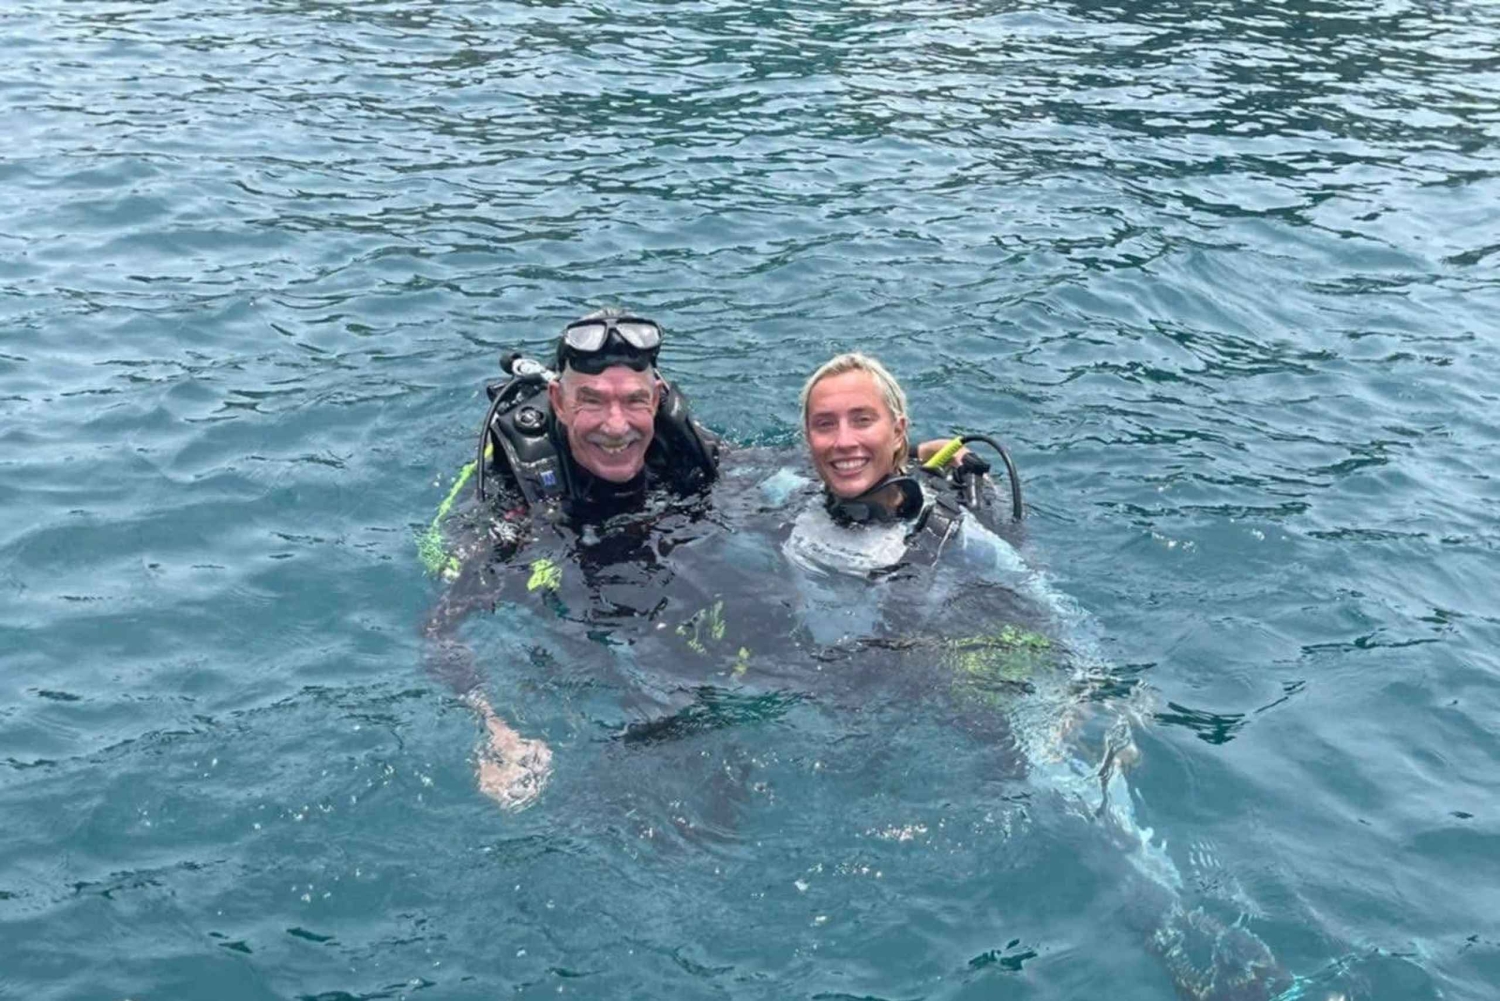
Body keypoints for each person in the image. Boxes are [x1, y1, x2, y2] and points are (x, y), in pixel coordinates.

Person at [422, 308, 721, 809]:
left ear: (658, 398)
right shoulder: (511, 491)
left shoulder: (685, 452)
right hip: (557, 604)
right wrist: (495, 726)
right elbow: (441, 628)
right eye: (592, 401)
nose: (616, 426)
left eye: (634, 401)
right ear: (559, 401)